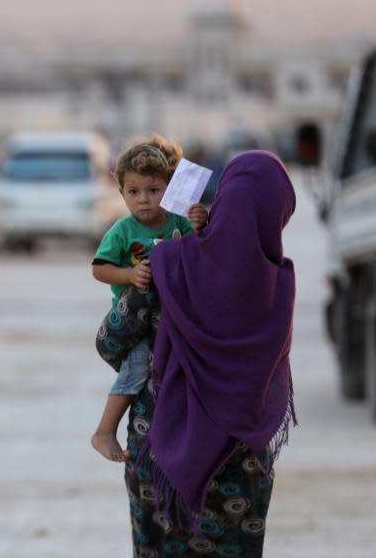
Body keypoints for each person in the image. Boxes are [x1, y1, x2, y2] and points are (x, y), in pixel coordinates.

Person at [96, 150, 296, 556]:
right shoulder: (279, 285)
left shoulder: (171, 262)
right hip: (244, 464)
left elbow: (110, 340)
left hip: (160, 453)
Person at [90, 136, 208, 462]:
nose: (143, 200)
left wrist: (201, 224)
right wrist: (128, 276)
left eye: (153, 191)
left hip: (173, 318)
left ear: (168, 189)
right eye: (134, 192)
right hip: (135, 323)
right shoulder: (122, 231)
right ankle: (103, 431)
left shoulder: (178, 223)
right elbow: (99, 269)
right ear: (122, 193)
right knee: (138, 367)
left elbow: (200, 255)